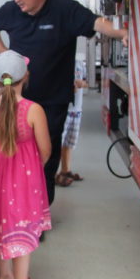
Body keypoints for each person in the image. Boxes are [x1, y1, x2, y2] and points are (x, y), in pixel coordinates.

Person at [0, 0, 128, 205]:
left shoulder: (64, 9)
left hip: (53, 99)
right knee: (14, 151)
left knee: (45, 155)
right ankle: (16, 205)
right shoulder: (11, 11)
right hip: (19, 98)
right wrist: (2, 52)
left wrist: (122, 32)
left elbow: (97, 23)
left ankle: (40, 207)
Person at [0, 50, 51, 279]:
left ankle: (4, 275)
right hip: (24, 176)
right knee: (22, 221)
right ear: (26, 76)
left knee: (2, 218)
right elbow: (45, 150)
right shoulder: (33, 110)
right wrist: (33, 167)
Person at [56, 56, 88, 187]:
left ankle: (66, 170)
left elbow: (86, 82)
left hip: (76, 109)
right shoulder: (59, 61)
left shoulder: (80, 63)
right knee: (58, 142)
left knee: (69, 142)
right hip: (63, 109)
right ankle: (53, 174)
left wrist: (81, 83)